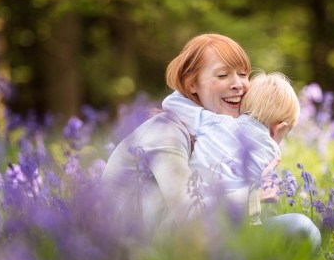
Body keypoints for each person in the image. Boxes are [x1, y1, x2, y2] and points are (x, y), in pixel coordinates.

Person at [101, 33, 257, 238]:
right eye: (222, 75)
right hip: (140, 255)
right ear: (192, 84)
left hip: (190, 242)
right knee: (298, 227)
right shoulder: (165, 131)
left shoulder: (212, 131)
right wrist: (255, 195)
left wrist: (271, 140)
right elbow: (191, 216)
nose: (239, 84)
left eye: (244, 74)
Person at [162, 72, 321, 249]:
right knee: (305, 230)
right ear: (280, 128)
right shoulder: (268, 154)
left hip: (186, 228)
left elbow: (170, 103)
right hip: (224, 238)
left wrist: (204, 87)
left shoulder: (214, 121)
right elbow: (251, 215)